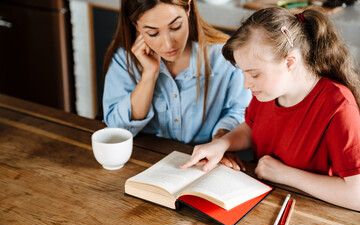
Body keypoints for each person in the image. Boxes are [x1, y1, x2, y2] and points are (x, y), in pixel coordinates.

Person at [181, 7, 360, 211]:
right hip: (262, 199)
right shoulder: (269, 92)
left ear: (290, 62)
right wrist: (221, 144)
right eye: (244, 73)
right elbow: (250, 128)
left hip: (309, 211)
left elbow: (356, 195)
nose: (246, 84)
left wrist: (285, 174)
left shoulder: (338, 106)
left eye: (254, 74)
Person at [102, 0, 252, 151]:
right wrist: (149, 75)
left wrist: (220, 141)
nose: (168, 45)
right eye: (153, 33)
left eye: (175, 27)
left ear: (188, 8)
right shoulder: (124, 59)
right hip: (144, 157)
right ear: (135, 25)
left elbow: (240, 113)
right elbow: (117, 129)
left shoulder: (224, 57)